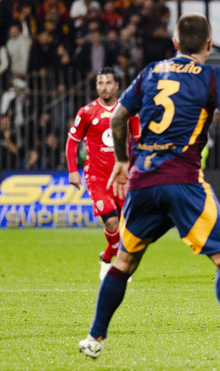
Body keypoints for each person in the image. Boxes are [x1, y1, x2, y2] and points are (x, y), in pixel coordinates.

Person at [77, 13, 220, 365]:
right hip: (182, 180)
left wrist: (121, 160)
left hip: (141, 182)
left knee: (124, 261)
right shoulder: (211, 76)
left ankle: (94, 338)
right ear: (209, 44)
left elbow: (118, 117)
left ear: (175, 44)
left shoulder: (150, 72)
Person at [66, 67, 140, 280]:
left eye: (108, 83)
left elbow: (139, 140)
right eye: (100, 83)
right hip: (97, 177)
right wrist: (73, 170)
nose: (104, 87)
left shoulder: (128, 111)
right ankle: (118, 264)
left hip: (123, 177)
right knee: (111, 222)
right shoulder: (87, 112)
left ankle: (107, 257)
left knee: (127, 226)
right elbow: (72, 142)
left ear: (117, 86)